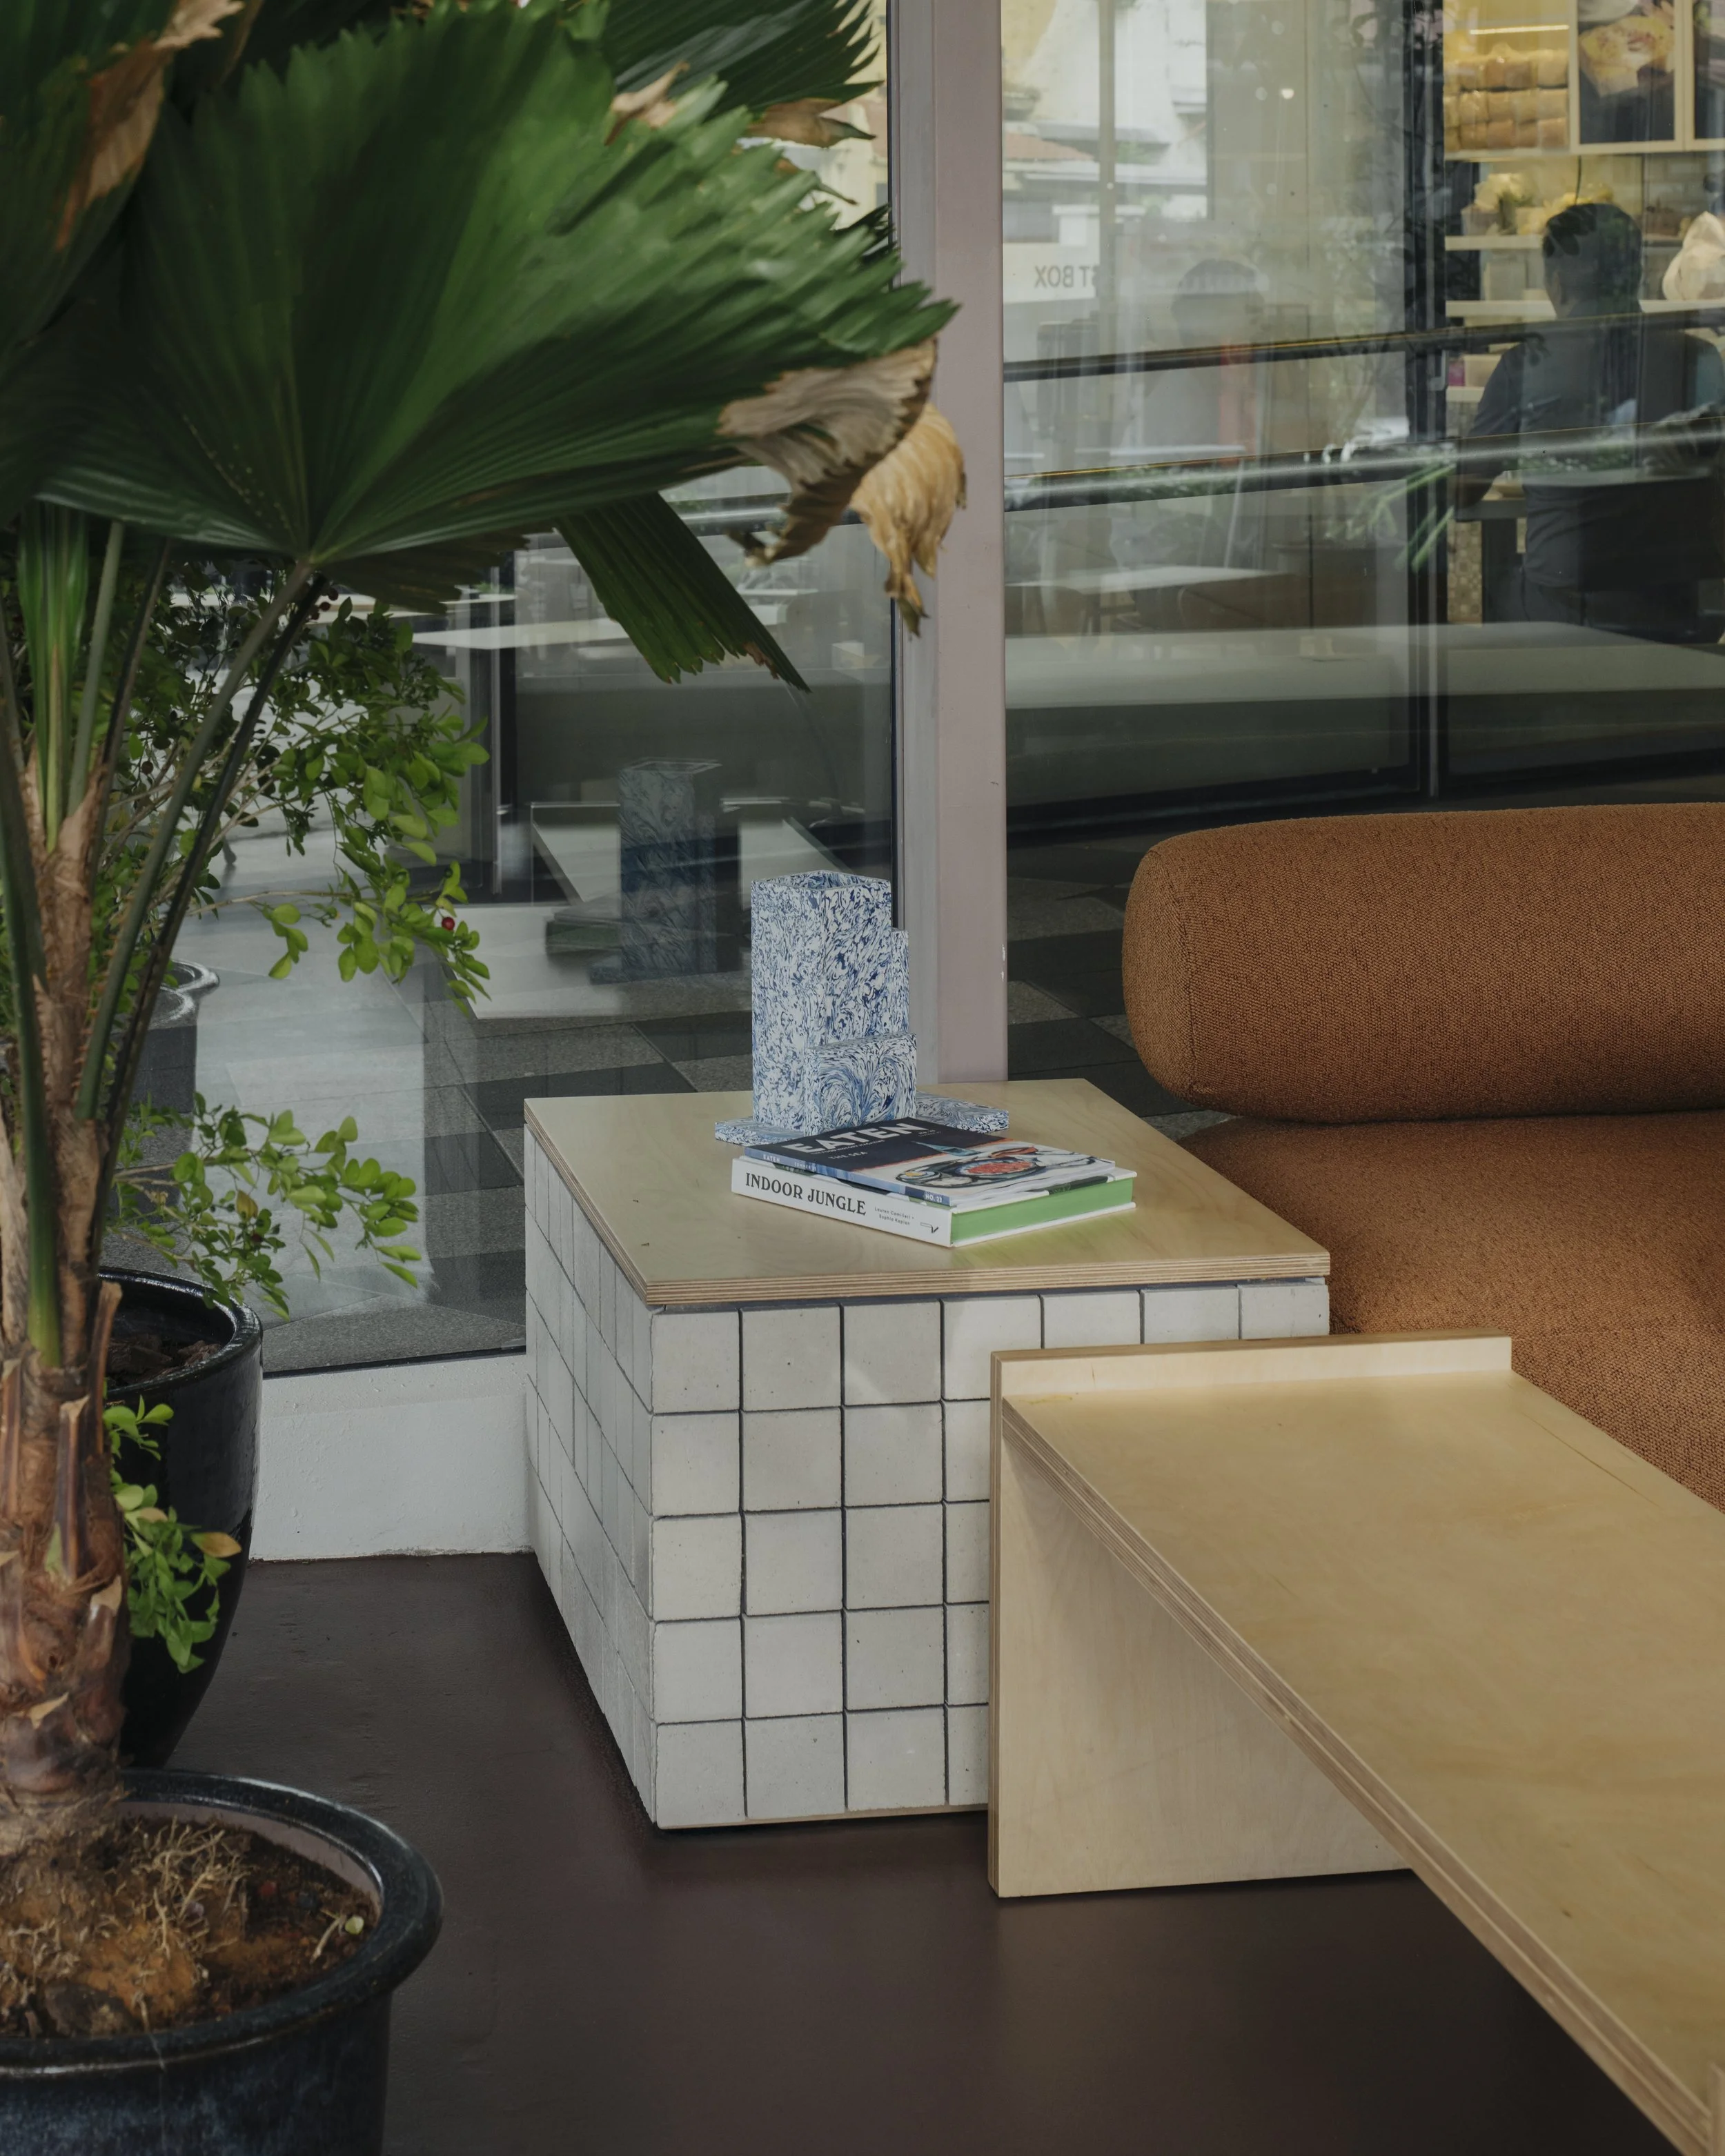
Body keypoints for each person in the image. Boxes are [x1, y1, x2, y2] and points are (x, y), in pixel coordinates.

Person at [1464, 201, 1725, 642]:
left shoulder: (1525, 365)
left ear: (1557, 283)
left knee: (1499, 594)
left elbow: (1466, 484)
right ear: (1638, 276)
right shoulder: (1698, 358)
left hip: (1568, 602)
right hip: (1678, 608)